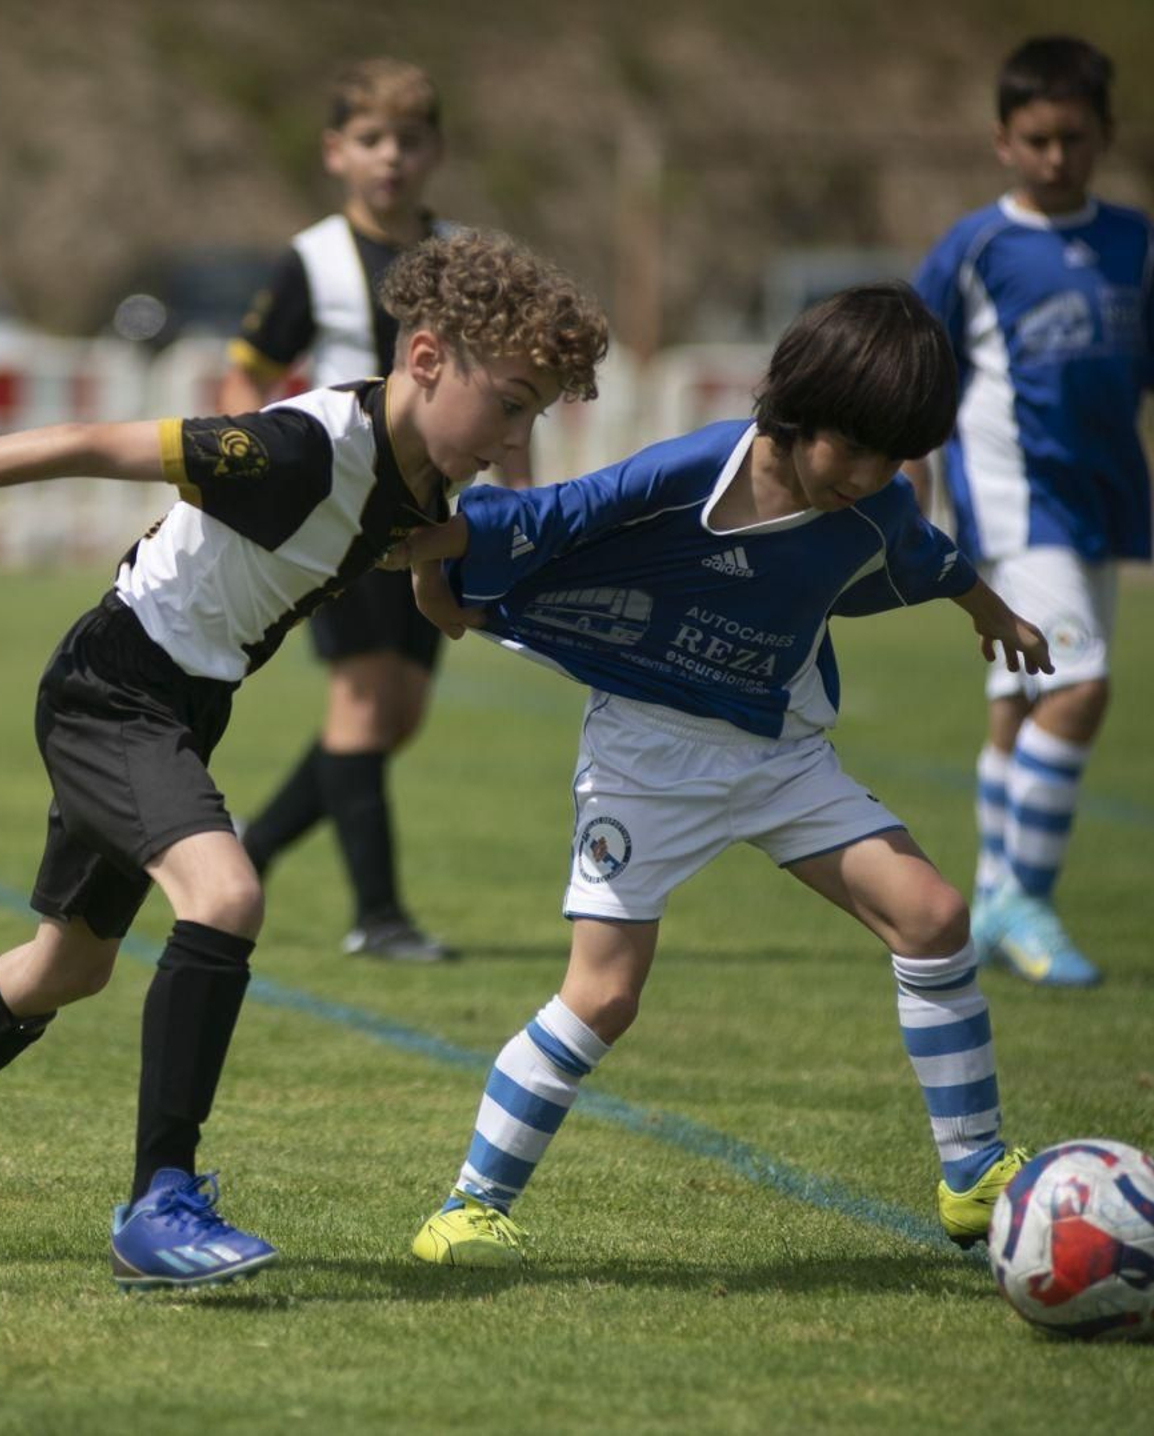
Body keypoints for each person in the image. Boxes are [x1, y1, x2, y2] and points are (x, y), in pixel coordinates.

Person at [0, 229, 608, 1288]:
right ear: (428, 358)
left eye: (536, 410)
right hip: (112, 690)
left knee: (66, 965)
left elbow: (417, 552)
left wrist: (449, 595)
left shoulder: (422, 476)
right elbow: (87, 440)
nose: (515, 433)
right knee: (223, 895)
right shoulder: (294, 449)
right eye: (512, 400)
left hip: (177, 705)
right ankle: (159, 1199)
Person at [386, 283, 1053, 1268]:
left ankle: (974, 1176)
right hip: (646, 755)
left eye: (892, 458)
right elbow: (564, 513)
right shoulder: (699, 466)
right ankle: (471, 1204)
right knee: (604, 994)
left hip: (777, 749)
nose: (870, 476)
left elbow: (929, 555)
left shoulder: (878, 506)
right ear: (797, 407)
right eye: (854, 447)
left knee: (933, 914)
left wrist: (991, 610)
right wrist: (436, 559)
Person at [903, 36, 1154, 987]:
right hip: (1012, 505)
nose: (1058, 157)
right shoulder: (976, 249)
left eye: (1075, 139)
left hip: (1097, 500)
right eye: (1038, 139)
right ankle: (1025, 899)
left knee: (1022, 704)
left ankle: (990, 896)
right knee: (1081, 687)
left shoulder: (1133, 242)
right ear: (1002, 141)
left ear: (1105, 136)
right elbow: (914, 367)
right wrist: (908, 469)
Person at [220, 58, 510, 962]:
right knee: (359, 704)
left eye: (409, 141)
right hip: (340, 507)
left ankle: (253, 851)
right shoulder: (311, 259)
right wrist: (251, 465)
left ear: (436, 152)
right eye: (372, 141)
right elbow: (248, 373)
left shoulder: (461, 254)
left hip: (428, 511)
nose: (392, 158)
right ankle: (378, 918)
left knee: (399, 716)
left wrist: (520, 494)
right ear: (336, 153)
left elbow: (503, 381)